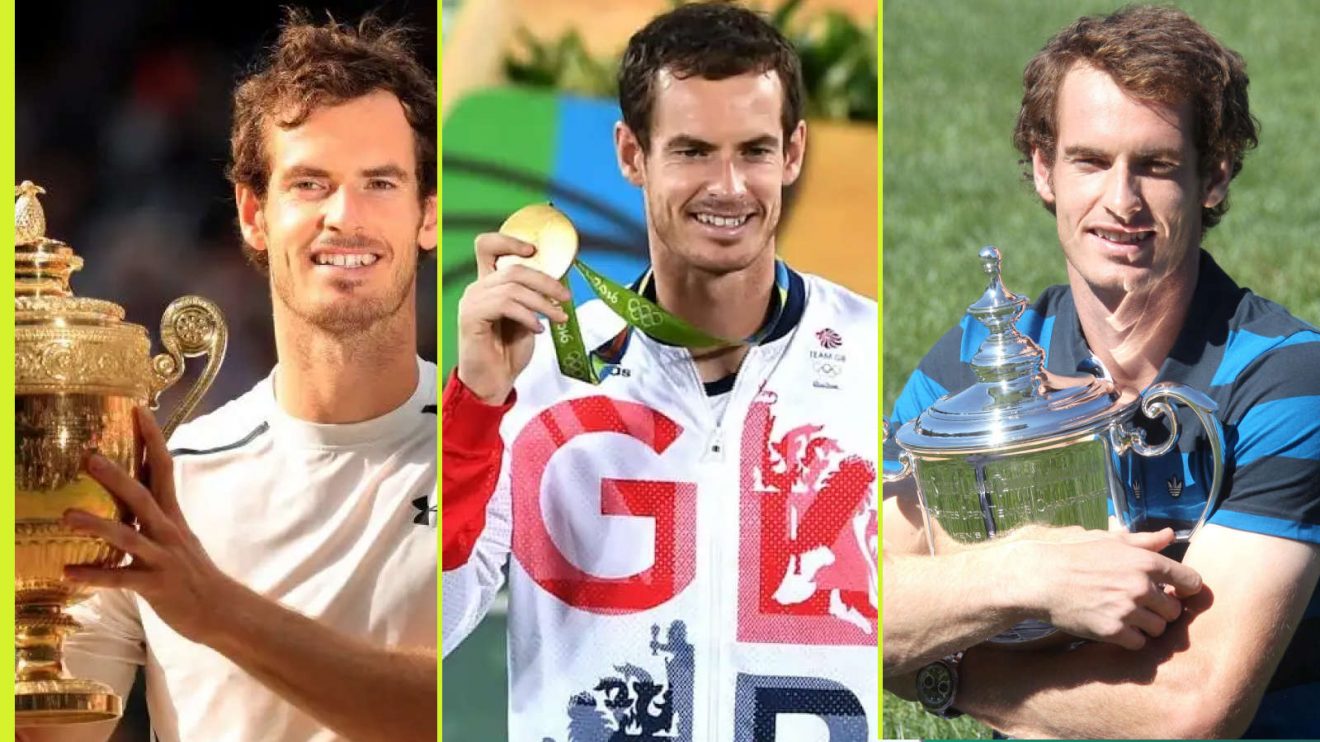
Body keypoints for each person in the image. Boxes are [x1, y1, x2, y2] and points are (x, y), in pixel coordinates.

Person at [442, 2, 878, 739]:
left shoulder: (873, 357)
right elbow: (435, 622)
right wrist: (478, 402)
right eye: (693, 151)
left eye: (755, 151)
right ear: (630, 154)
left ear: (795, 152)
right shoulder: (541, 373)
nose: (729, 186)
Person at [883, 5, 1320, 738]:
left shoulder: (1287, 380)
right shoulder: (974, 362)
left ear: (1212, 178)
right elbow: (848, 602)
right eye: (1090, 161)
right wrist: (1033, 576)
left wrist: (941, 670)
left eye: (1153, 165)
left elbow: (1193, 707)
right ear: (1043, 167)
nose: (1121, 203)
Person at [22, 12, 439, 742]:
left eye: (380, 182)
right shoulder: (164, 479)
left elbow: (493, 712)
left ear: (428, 215)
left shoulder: (515, 449)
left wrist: (214, 609)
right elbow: (53, 725)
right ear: (253, 213)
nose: (345, 215)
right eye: (310, 183)